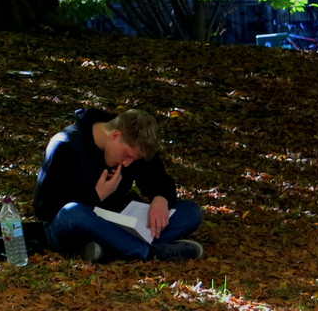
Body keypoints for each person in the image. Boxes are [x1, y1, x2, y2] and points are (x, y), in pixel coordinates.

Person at [34, 106, 204, 263]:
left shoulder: (133, 144)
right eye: (127, 156)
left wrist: (161, 199)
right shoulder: (65, 145)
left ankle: (109, 249)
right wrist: (95, 195)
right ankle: (148, 252)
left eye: (133, 159)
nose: (128, 163)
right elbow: (44, 209)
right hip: (74, 226)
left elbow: (157, 178)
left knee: (190, 212)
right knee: (73, 213)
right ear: (115, 135)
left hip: (118, 219)